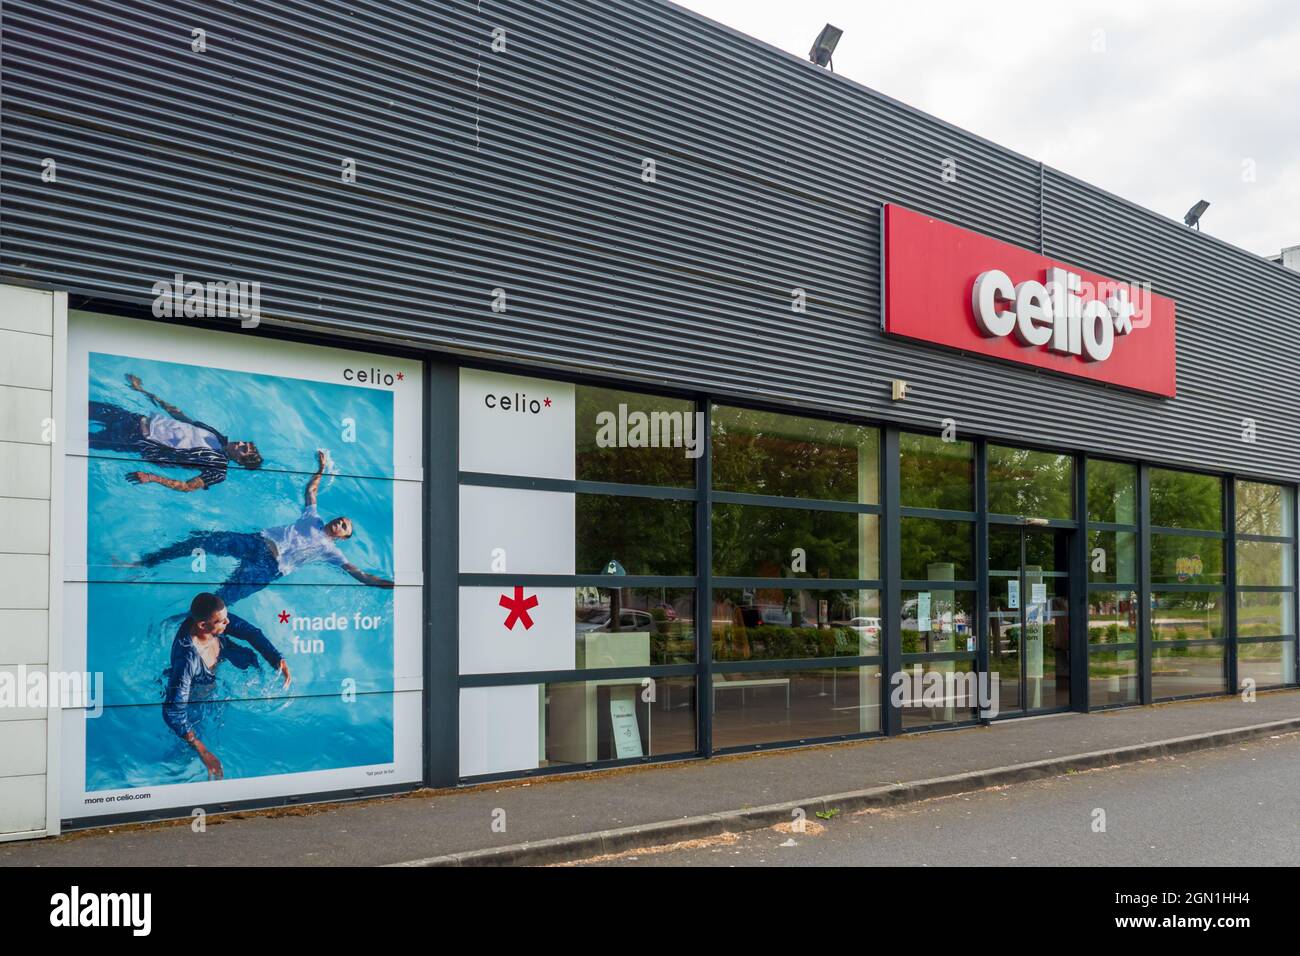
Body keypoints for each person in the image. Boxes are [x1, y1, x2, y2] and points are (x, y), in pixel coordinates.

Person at [138, 450, 393, 605]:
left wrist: (390, 584)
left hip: (268, 568)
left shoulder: (333, 552)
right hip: (256, 542)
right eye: (341, 519)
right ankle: (147, 562)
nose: (340, 522)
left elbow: (360, 575)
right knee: (200, 541)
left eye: (344, 526)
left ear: (343, 537)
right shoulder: (312, 517)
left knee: (221, 602)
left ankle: (185, 624)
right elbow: (311, 490)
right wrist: (321, 469)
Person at [163, 592, 291, 780]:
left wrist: (277, 659)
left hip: (223, 651)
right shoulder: (186, 661)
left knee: (250, 659)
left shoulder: (215, 623)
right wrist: (202, 749)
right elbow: (173, 711)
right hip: (197, 694)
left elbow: (250, 632)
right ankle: (178, 766)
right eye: (222, 621)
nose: (228, 623)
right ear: (202, 625)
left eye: (226, 617)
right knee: (195, 733)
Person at [89, 373, 263, 492]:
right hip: (133, 419)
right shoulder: (216, 435)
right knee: (83, 407)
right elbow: (179, 415)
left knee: (80, 440)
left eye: (243, 449)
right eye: (244, 443)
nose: (240, 443)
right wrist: (143, 391)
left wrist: (151, 477)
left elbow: (187, 487)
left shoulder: (218, 470)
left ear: (240, 460)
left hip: (132, 440)